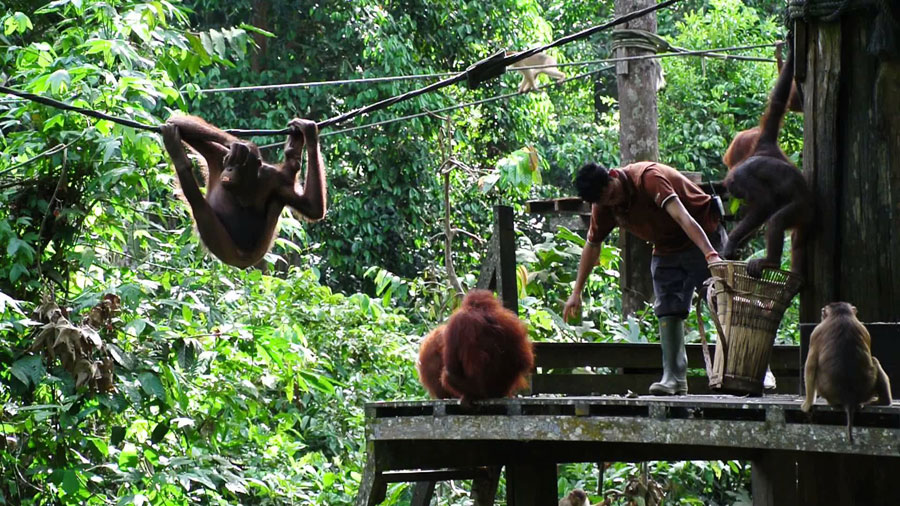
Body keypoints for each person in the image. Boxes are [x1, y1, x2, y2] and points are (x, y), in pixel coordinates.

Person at [563, 161, 724, 395]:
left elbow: (682, 217)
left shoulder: (648, 178)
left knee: (722, 302)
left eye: (613, 194)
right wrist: (576, 292)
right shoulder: (605, 206)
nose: (613, 202)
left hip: (702, 233)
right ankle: (674, 377)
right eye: (606, 201)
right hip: (666, 247)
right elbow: (592, 245)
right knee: (667, 307)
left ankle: (743, 370)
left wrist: (710, 255)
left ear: (613, 176)